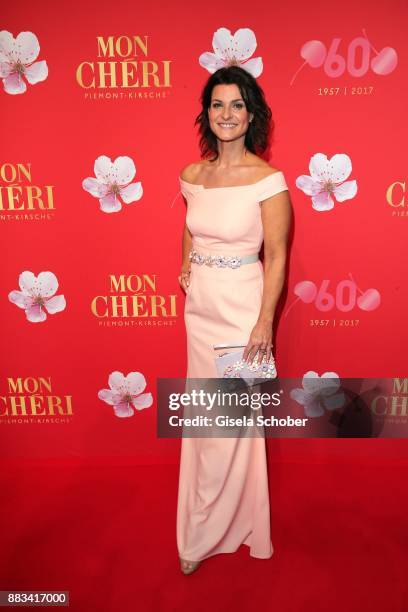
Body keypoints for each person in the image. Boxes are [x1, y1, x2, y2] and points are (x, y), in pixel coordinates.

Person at [176, 65, 292, 575]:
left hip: (242, 309)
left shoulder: (267, 181)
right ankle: (220, 519)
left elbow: (279, 256)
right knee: (208, 421)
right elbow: (193, 224)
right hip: (201, 310)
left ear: (252, 115)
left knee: (231, 424)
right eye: (218, 104)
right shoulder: (193, 174)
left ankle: (203, 532)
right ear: (207, 112)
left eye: (237, 105)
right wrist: (186, 263)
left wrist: (264, 323)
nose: (227, 114)